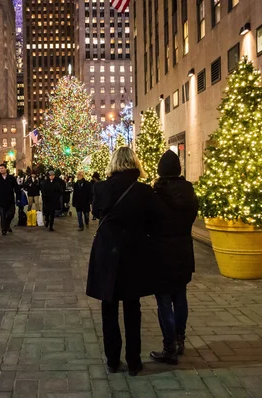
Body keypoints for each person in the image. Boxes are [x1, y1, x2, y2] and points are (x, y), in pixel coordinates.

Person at [86, 147, 159, 377]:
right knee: (132, 309)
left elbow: (97, 213)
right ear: (134, 162)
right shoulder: (144, 191)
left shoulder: (101, 187)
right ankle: (134, 361)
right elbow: (152, 222)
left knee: (109, 308)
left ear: (114, 162)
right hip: (134, 254)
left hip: (107, 253)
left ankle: (112, 360)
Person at [149, 150, 198, 365]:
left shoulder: (157, 194)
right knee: (180, 296)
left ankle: (169, 347)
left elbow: (148, 222)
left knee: (164, 300)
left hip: (161, 252)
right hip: (184, 250)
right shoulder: (189, 192)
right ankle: (180, 339)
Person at [0, 163, 21, 235]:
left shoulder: (11, 178)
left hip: (10, 200)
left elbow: (16, 188)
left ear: (5, 169)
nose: (1, 170)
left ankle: (7, 225)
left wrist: (18, 198)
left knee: (11, 214)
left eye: (2, 168)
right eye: (0, 168)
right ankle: (3, 229)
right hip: (1, 201)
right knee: (2, 215)